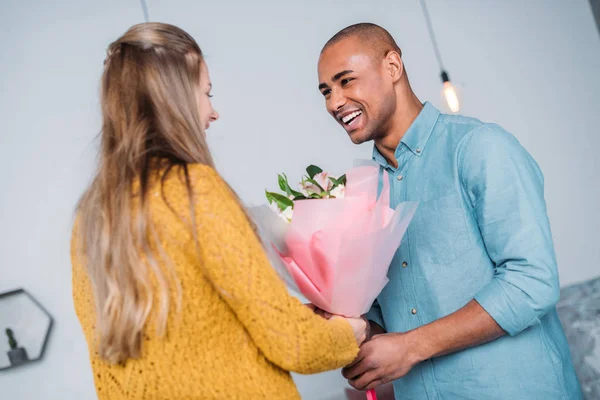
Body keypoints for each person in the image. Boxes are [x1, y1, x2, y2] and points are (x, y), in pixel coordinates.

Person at [71, 22, 367, 400]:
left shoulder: (90, 217)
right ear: (175, 98)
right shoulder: (194, 190)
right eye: (206, 93)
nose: (213, 113)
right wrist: (350, 332)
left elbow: (180, 333)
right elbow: (295, 345)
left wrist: (296, 317)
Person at [317, 23, 582, 399]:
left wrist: (410, 346)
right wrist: (347, 324)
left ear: (392, 67)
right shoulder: (361, 193)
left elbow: (532, 283)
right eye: (326, 91)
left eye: (346, 81)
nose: (334, 102)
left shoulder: (480, 147)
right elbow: (388, 318)